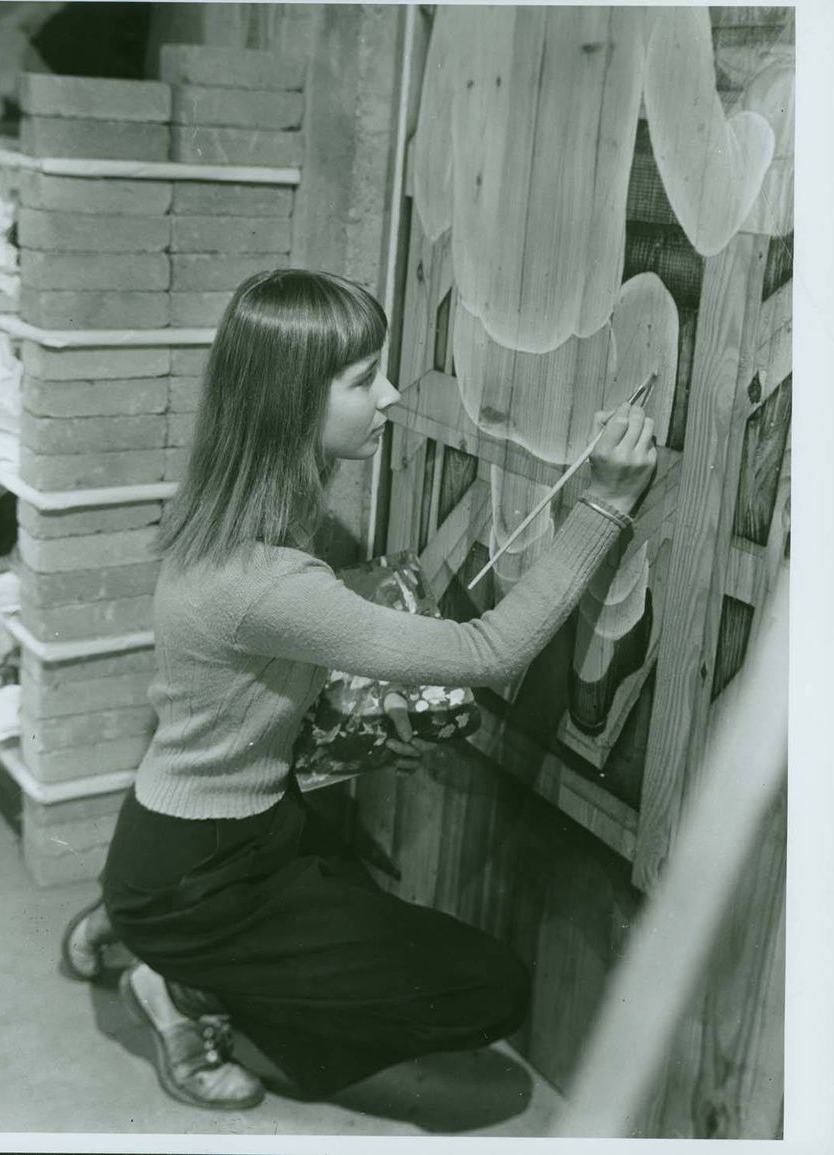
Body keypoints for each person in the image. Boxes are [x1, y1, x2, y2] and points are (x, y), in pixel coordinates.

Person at [61, 269, 657, 1111]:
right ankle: (180, 983)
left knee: (360, 946)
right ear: (291, 400)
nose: (391, 394)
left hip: (234, 834)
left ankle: (153, 938)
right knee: (489, 990)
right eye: (360, 379)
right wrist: (606, 504)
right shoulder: (266, 579)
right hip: (200, 876)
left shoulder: (231, 512)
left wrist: (337, 715)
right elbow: (491, 648)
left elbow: (240, 687)